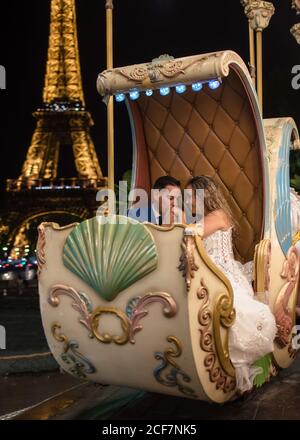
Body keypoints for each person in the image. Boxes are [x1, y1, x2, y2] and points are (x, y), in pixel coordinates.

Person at [186, 176, 277, 393]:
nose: (186, 200)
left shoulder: (218, 216)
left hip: (223, 273)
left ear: (204, 195)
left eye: (189, 196)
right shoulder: (205, 217)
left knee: (230, 311)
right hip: (208, 271)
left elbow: (190, 234)